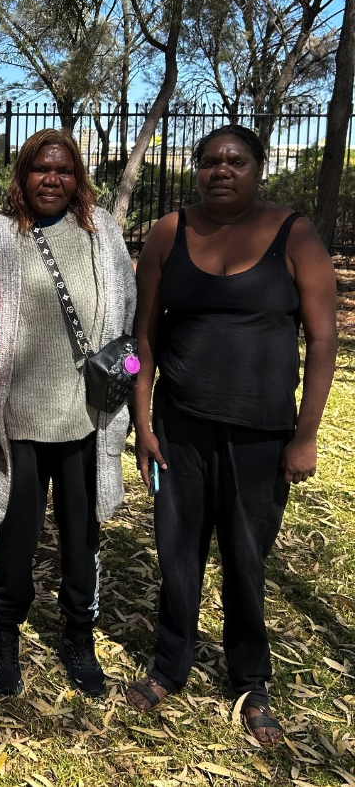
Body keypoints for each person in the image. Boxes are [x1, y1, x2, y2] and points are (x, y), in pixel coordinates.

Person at [127, 124, 337, 745]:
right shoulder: (170, 233)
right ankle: (171, 663)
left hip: (262, 433)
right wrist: (143, 421)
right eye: (209, 160)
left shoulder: (294, 234)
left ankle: (252, 678)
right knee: (177, 548)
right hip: (179, 425)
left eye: (235, 161)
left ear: (258, 167)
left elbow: (323, 341)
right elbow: (143, 338)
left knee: (247, 557)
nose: (221, 170)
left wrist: (305, 436)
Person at [0, 128, 136, 698]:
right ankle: (6, 638)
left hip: (87, 419)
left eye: (64, 170)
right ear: (23, 174)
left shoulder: (102, 234)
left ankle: (78, 638)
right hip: (17, 423)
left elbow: (127, 320)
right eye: (41, 169)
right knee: (15, 540)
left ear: (77, 178)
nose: (52, 179)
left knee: (80, 538)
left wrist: (127, 394)